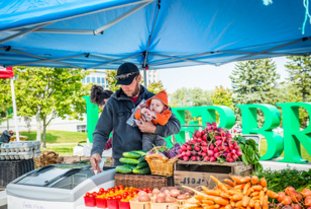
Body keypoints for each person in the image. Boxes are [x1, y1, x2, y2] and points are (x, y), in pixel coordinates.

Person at [90, 62, 181, 172]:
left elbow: (176, 125)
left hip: (152, 162)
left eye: (128, 83)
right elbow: (101, 131)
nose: (125, 87)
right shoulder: (113, 103)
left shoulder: (154, 99)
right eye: (122, 84)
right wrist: (96, 151)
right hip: (123, 162)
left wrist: (154, 129)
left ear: (139, 78)